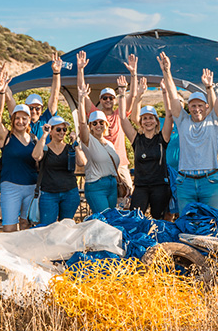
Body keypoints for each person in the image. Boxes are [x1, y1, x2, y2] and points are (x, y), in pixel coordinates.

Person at [159, 51, 218, 209]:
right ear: (188, 107)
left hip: (209, 181)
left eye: (200, 105)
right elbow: (174, 97)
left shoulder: (214, 122)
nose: (196, 109)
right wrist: (167, 71)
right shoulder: (182, 122)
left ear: (206, 106)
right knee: (187, 225)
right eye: (193, 106)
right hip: (185, 182)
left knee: (210, 223)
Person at [119, 60, 175, 218]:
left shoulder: (162, 138)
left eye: (151, 118)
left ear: (157, 121)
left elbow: (170, 115)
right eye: (144, 118)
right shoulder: (136, 139)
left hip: (160, 187)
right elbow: (123, 118)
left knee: (159, 220)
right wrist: (123, 92)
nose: (148, 121)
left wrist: (164, 92)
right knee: (135, 219)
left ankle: (158, 244)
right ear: (141, 122)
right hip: (141, 187)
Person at [74, 50, 133, 198]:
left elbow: (131, 98)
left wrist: (132, 76)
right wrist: (80, 70)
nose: (108, 100)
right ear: (100, 100)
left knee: (126, 199)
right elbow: (82, 92)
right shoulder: (95, 116)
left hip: (120, 163)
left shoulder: (120, 114)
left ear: (114, 100)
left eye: (111, 98)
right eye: (105, 98)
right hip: (99, 167)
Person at [0, 63, 39, 232]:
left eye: (24, 118)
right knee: (9, 228)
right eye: (17, 118)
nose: (20, 121)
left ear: (28, 121)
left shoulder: (34, 139)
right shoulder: (6, 136)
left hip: (31, 186)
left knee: (26, 225)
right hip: (10, 187)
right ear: (13, 119)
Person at [77, 78, 124, 214]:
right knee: (103, 220)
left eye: (101, 122)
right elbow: (81, 123)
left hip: (112, 185)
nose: (98, 125)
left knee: (111, 220)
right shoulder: (88, 140)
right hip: (96, 185)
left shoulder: (109, 144)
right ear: (90, 126)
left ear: (106, 125)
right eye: (95, 123)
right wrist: (81, 100)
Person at [32, 116, 85, 226]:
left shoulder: (70, 148)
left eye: (64, 129)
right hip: (49, 194)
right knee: (47, 227)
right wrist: (44, 135)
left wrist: (75, 143)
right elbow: (36, 156)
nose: (62, 132)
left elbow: (82, 162)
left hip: (69, 192)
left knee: (66, 227)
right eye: (58, 129)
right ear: (51, 131)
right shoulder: (45, 148)